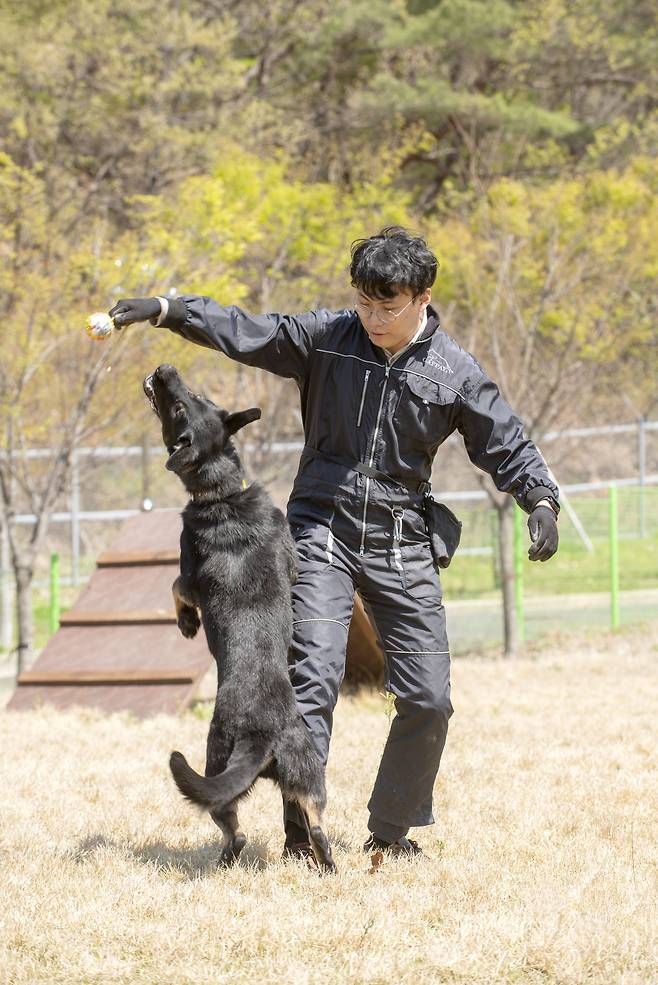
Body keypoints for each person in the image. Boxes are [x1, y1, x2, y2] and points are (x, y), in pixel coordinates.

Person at [110, 226, 559, 859]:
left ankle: (392, 833)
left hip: (403, 535)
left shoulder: (455, 371)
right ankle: (301, 831)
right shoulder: (328, 338)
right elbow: (247, 330)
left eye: (388, 305)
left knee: (429, 698)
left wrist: (539, 498)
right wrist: (168, 310)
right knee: (311, 675)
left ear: (423, 297)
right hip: (319, 527)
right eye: (363, 303)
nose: (372, 318)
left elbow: (503, 439)